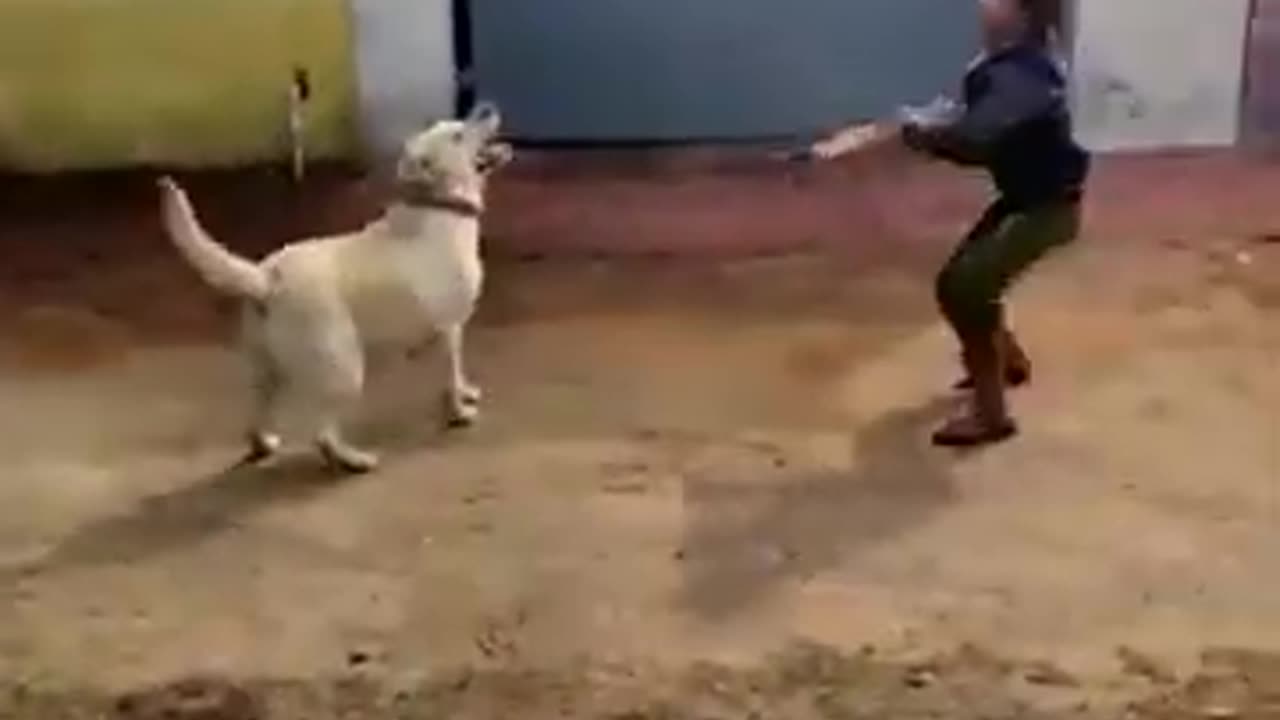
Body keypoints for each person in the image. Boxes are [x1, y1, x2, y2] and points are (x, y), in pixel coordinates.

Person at [899, 0, 1088, 447]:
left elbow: (975, 139)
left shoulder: (1021, 75)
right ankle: (1009, 363)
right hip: (1030, 200)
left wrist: (923, 136)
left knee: (964, 288)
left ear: (1023, 16)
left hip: (1046, 210)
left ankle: (991, 415)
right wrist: (931, 121)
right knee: (968, 281)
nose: (983, 4)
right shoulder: (1013, 65)